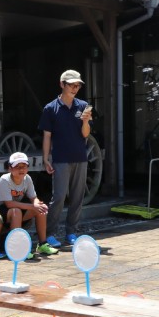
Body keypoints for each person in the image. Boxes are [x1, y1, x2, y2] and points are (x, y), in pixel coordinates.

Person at [40, 69, 92, 248]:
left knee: (77, 197)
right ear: (62, 84)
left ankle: (71, 232)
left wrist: (85, 121)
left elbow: (85, 135)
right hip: (60, 158)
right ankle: (50, 233)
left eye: (77, 85)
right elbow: (47, 136)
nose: (75, 88)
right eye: (71, 84)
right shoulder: (50, 108)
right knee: (59, 197)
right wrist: (46, 158)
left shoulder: (83, 105)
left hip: (80, 157)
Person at [0, 152, 58, 257]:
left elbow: (33, 198)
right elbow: (9, 204)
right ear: (10, 168)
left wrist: (38, 204)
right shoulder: (4, 180)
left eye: (24, 166)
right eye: (17, 167)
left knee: (40, 209)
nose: (21, 169)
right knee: (17, 211)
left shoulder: (27, 178)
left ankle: (42, 244)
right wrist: (32, 206)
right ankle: (17, 249)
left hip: (13, 209)